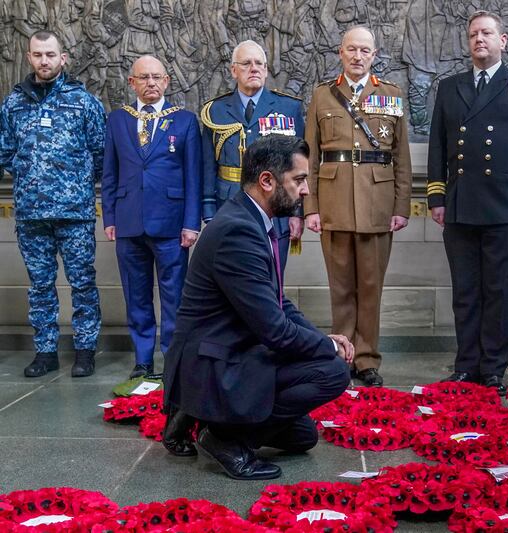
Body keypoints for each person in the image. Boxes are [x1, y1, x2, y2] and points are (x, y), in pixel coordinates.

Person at [162, 135, 352, 478]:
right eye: (298, 179)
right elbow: (274, 330)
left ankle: (195, 415)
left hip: (228, 348)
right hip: (214, 363)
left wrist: (327, 338)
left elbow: (279, 302)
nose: (306, 190)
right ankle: (221, 437)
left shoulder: (250, 218)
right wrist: (328, 348)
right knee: (333, 372)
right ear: (267, 181)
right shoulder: (238, 230)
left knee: (303, 437)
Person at [426, 11, 508, 395]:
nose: (479, 39)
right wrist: (437, 196)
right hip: (461, 205)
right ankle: (466, 365)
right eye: (473, 35)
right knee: (465, 292)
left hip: (507, 206)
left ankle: (494, 369)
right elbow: (438, 147)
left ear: (504, 40)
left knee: (499, 291)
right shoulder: (450, 87)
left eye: (486, 33)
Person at [304, 26, 412, 387]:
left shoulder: (391, 95)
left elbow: (401, 158)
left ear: (374, 55)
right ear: (341, 52)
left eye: (365, 50)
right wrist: (311, 208)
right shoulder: (322, 96)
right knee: (340, 287)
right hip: (333, 202)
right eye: (351, 49)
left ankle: (366, 358)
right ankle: (341, 354)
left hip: (377, 204)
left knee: (370, 286)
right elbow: (310, 157)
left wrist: (401, 206)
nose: (358, 56)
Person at [0, 30, 105, 378]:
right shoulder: (13, 104)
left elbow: (101, 153)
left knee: (82, 283)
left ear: (63, 58)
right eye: (37, 55)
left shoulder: (83, 102)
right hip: (31, 214)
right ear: (29, 58)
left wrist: (74, 183)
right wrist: (30, 176)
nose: (44, 61)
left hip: (74, 212)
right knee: (40, 286)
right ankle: (46, 352)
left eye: (50, 54)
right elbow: (5, 151)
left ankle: (85, 351)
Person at [101, 55, 202, 379]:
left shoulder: (185, 121)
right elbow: (110, 173)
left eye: (157, 77)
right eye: (143, 78)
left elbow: (193, 178)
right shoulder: (117, 120)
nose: (151, 83)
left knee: (174, 297)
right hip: (129, 222)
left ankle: (172, 359)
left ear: (167, 81)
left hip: (172, 225)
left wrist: (191, 223)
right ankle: (143, 359)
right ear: (132, 82)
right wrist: (110, 217)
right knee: (136, 294)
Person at [201, 40, 304, 276]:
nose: (254, 68)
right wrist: (208, 208)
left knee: (272, 279)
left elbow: (299, 168)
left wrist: (296, 212)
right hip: (228, 204)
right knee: (230, 279)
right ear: (233, 71)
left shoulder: (289, 108)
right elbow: (208, 165)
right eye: (246, 63)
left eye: (259, 63)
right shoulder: (214, 111)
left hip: (275, 207)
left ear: (266, 70)